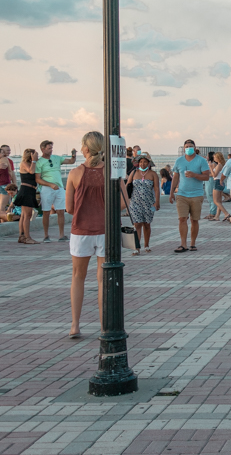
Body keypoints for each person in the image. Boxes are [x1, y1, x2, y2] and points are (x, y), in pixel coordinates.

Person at [65, 131, 125, 339]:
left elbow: (69, 208)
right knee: (103, 280)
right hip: (106, 231)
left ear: (87, 149)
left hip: (81, 231)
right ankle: (103, 326)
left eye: (82, 146)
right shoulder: (112, 172)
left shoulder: (74, 173)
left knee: (77, 276)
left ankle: (75, 325)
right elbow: (124, 203)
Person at [170, 139, 211, 253]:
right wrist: (171, 192)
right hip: (182, 194)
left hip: (196, 195)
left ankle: (192, 243)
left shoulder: (201, 161)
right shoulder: (179, 161)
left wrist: (194, 175)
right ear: (184, 148)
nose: (188, 148)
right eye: (187, 146)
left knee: (194, 220)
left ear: (194, 147)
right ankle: (183, 244)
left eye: (190, 146)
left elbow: (206, 177)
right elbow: (175, 177)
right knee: (182, 219)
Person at [35, 140, 77, 243]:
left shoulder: (57, 158)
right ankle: (46, 235)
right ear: (43, 149)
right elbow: (38, 179)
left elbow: (71, 162)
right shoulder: (39, 162)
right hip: (46, 189)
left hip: (59, 188)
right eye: (49, 148)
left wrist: (74, 155)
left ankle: (61, 235)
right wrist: (50, 184)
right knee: (46, 211)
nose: (51, 150)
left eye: (51, 148)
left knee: (61, 211)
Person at [127, 153, 160, 254]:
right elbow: (127, 185)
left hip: (148, 203)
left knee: (147, 224)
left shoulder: (153, 174)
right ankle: (137, 248)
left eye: (145, 162)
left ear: (149, 163)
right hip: (135, 202)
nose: (142, 164)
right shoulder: (133, 173)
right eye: (141, 162)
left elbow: (156, 189)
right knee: (137, 224)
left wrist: (157, 202)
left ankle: (146, 245)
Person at [15, 148, 40, 244]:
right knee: (27, 215)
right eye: (35, 155)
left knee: (24, 215)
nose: (37, 156)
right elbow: (31, 172)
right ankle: (27, 237)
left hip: (31, 190)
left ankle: (22, 236)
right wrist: (34, 160)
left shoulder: (33, 164)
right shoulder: (24, 163)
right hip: (26, 190)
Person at [208, 153, 231, 222]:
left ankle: (226, 213)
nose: (214, 159)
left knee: (216, 201)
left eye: (215, 157)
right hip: (220, 182)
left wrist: (210, 167)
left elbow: (214, 175)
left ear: (218, 158)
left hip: (217, 182)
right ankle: (217, 216)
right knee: (219, 201)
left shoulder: (219, 165)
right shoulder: (222, 165)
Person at [0, 144, 15, 214]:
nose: (9, 152)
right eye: (7, 150)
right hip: (4, 184)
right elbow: (11, 173)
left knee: (2, 206)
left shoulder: (9, 161)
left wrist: (14, 185)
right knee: (2, 207)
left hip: (4, 184)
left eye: (9, 150)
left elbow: (12, 173)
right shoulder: (6, 160)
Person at [203, 154, 218, 220]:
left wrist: (206, 173)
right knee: (209, 197)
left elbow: (213, 174)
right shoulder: (209, 163)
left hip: (210, 180)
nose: (207, 157)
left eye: (208, 156)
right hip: (207, 180)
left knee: (211, 195)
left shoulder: (213, 164)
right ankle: (211, 212)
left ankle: (213, 213)